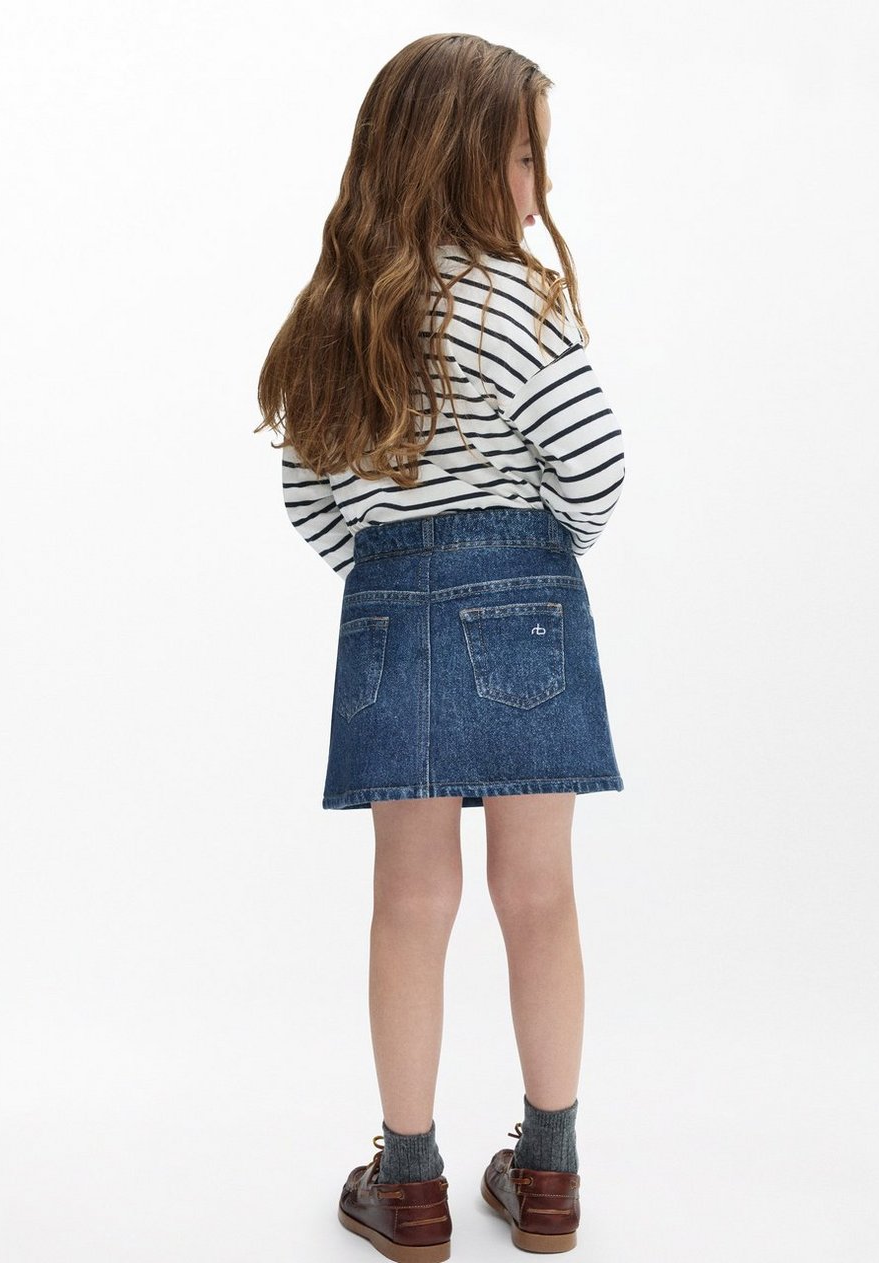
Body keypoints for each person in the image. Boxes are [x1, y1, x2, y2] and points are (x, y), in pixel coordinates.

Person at [255, 32, 625, 1260]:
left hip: (387, 613)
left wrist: (392, 567)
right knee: (539, 893)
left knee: (408, 901)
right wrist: (533, 551)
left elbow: (309, 501)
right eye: (520, 157)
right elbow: (595, 469)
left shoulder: (337, 313)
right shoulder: (515, 300)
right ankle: (549, 1172)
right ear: (456, 159)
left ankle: (408, 1183)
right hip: (524, 603)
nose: (536, 185)